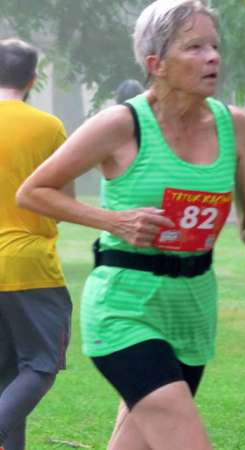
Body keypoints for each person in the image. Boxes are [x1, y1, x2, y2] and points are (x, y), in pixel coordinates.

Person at [16, 1, 245, 449]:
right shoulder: (120, 124)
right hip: (125, 308)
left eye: (215, 46)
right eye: (196, 47)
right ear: (156, 64)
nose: (213, 57)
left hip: (192, 312)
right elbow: (32, 191)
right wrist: (113, 220)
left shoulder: (235, 126)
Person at [0, 38, 73, 450]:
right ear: (32, 78)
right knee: (39, 367)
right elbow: (64, 204)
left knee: (6, 377)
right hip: (30, 266)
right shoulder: (48, 127)